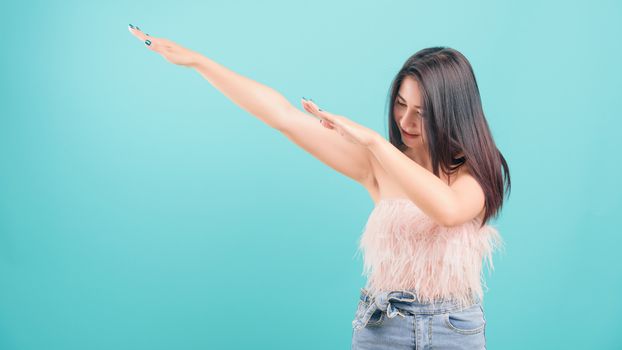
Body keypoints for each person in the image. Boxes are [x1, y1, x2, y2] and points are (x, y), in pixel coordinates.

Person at [128, 24, 511, 349]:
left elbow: (446, 210)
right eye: (399, 103)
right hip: (384, 328)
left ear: (451, 112)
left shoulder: (473, 171)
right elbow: (284, 117)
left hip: (454, 331)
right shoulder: (375, 166)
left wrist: (374, 142)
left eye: (422, 112)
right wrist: (198, 62)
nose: (405, 120)